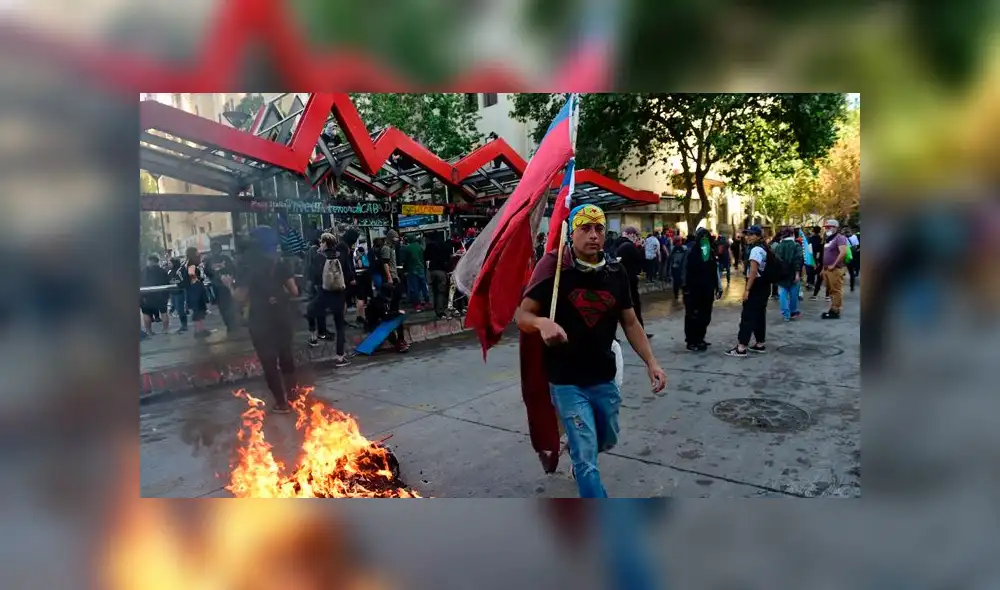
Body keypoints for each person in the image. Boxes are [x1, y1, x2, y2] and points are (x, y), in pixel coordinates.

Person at [517, 204, 667, 498]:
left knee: (607, 436)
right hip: (566, 380)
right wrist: (541, 323)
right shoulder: (553, 268)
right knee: (586, 458)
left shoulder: (615, 271)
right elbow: (522, 316)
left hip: (603, 376)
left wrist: (652, 362)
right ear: (571, 233)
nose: (594, 235)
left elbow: (631, 321)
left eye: (599, 228)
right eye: (585, 228)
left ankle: (577, 445)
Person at [233, 226, 301, 414]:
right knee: (286, 357)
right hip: (282, 317)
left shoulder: (247, 266)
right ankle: (294, 397)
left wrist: (227, 285)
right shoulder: (280, 263)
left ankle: (281, 403)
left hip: (261, 321)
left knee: (269, 362)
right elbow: (294, 291)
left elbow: (240, 296)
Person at [307, 231, 356, 365]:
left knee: (311, 309)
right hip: (339, 294)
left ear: (324, 243)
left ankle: (314, 336)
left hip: (324, 293)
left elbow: (312, 274)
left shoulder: (320, 256)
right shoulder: (341, 255)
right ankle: (340, 357)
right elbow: (347, 271)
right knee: (339, 325)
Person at [726, 225, 770, 357]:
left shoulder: (756, 250)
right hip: (764, 285)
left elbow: (753, 271)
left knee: (748, 316)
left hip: (756, 285)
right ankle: (760, 343)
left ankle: (741, 347)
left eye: (751, 234)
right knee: (759, 315)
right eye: (747, 234)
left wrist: (747, 289)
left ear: (758, 236)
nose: (748, 237)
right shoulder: (764, 247)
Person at [682, 228, 724, 351]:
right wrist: (685, 288)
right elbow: (684, 270)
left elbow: (713, 271)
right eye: (702, 237)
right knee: (693, 316)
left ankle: (700, 338)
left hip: (707, 290)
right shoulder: (691, 252)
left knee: (705, 316)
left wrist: (717, 287)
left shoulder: (708, 252)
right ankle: (691, 341)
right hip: (693, 291)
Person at [614, 227, 649, 337]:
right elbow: (641, 260)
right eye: (636, 236)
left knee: (615, 309)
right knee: (634, 307)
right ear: (631, 235)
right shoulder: (630, 246)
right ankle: (640, 333)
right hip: (630, 281)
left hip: (617, 280)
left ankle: (612, 336)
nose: (637, 238)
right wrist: (640, 248)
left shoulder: (616, 244)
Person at [377, 229, 409, 352]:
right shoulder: (386, 248)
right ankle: (398, 342)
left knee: (395, 309)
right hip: (390, 281)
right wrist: (390, 278)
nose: (397, 240)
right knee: (393, 310)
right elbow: (385, 264)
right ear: (391, 238)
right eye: (395, 238)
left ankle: (400, 340)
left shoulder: (392, 248)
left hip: (394, 278)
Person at [204, 242, 238, 333]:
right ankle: (232, 324)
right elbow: (233, 269)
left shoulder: (210, 260)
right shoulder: (225, 259)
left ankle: (229, 324)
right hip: (225, 285)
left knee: (224, 307)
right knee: (229, 305)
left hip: (218, 286)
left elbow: (207, 272)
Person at [773, 228, 805, 321]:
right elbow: (797, 260)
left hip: (781, 273)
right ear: (792, 234)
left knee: (782, 293)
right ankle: (793, 311)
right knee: (793, 294)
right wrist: (797, 273)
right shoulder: (796, 245)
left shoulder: (778, 246)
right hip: (792, 272)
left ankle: (785, 314)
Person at [820, 219, 849, 319]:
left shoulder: (840, 238)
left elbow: (843, 252)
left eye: (829, 227)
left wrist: (833, 264)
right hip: (827, 269)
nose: (827, 229)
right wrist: (823, 269)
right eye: (826, 227)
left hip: (835, 269)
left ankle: (836, 310)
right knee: (831, 290)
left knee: (836, 290)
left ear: (835, 228)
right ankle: (832, 309)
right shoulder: (828, 239)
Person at [140, 255, 171, 336]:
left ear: (149, 261)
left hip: (147, 295)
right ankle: (165, 330)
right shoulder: (162, 271)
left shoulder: (143, 271)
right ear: (157, 262)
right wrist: (166, 295)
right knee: (164, 312)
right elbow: (167, 282)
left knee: (146, 314)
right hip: (161, 295)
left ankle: (149, 331)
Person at [184, 247, 211, 338]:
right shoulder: (191, 263)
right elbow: (192, 275)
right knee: (198, 310)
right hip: (195, 291)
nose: (198, 253)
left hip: (194, 290)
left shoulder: (190, 263)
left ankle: (200, 329)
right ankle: (199, 330)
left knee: (200, 310)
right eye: (196, 252)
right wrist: (198, 281)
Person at [425, 233, 454, 318]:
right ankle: (440, 311)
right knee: (441, 292)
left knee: (433, 291)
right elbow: (449, 259)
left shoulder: (429, 246)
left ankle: (435, 308)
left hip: (432, 271)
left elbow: (425, 258)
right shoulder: (445, 246)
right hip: (442, 271)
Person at [400, 234, 429, 311]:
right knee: (424, 287)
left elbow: (403, 261)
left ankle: (417, 304)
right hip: (421, 269)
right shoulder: (420, 247)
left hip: (412, 270)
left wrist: (404, 270)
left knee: (414, 288)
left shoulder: (406, 248)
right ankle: (427, 302)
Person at [167, 257, 188, 333]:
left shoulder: (180, 270)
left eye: (170, 263)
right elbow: (168, 281)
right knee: (176, 308)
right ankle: (183, 325)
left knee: (180, 309)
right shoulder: (169, 271)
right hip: (173, 293)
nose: (168, 264)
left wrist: (179, 284)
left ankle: (184, 325)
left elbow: (184, 280)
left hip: (180, 292)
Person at [353, 245, 371, 327]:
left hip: (361, 278)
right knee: (363, 298)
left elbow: (359, 266)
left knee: (360, 298)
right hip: (366, 277)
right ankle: (362, 316)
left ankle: (359, 316)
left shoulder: (358, 257)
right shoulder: (365, 256)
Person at [845, 226, 860, 291]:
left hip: (844, 256)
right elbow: (856, 246)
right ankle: (852, 286)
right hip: (852, 257)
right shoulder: (854, 237)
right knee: (851, 273)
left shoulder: (843, 238)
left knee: (841, 272)